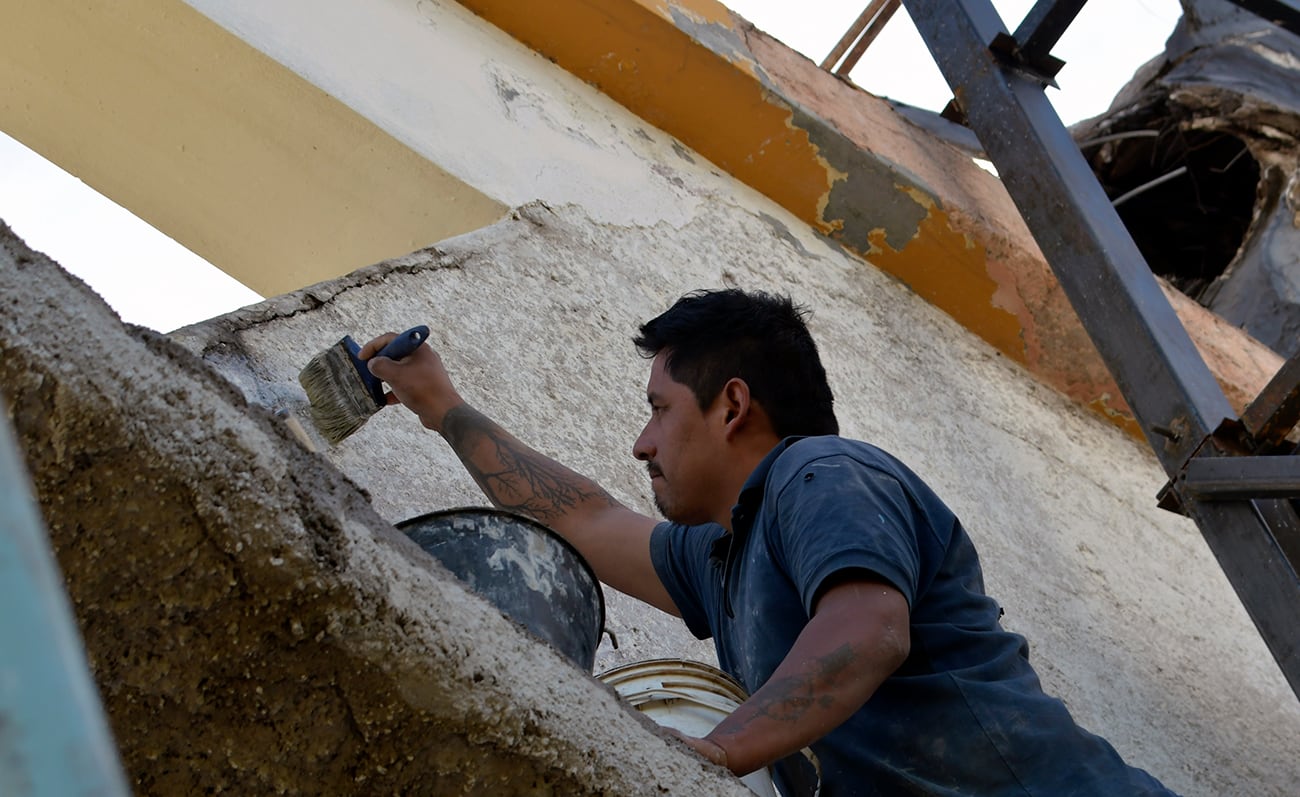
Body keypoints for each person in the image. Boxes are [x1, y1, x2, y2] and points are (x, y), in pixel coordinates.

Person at [361, 288, 1178, 796]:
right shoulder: (721, 556)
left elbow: (868, 629)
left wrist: (714, 751)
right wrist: (441, 405)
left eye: (659, 408)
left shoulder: (821, 472)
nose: (642, 443)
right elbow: (582, 518)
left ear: (732, 405)